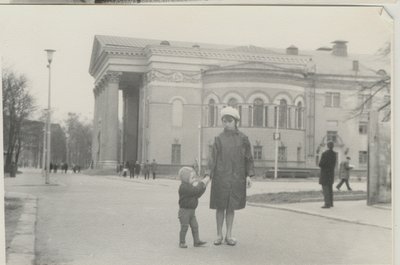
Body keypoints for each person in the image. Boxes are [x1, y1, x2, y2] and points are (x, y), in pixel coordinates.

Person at [206, 106, 255, 246]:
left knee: (231, 207)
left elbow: (248, 158)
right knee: (220, 206)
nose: (226, 123)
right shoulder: (218, 139)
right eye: (224, 121)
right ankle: (218, 235)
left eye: (229, 120)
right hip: (221, 177)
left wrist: (248, 176)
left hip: (237, 178)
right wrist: (208, 175)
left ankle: (229, 235)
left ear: (236, 121)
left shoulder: (243, 139)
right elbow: (212, 159)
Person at [178, 166, 210, 248]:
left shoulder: (190, 186)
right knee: (184, 227)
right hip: (184, 211)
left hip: (192, 211)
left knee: (195, 226)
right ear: (185, 178)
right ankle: (182, 242)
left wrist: (204, 186)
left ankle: (196, 241)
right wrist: (202, 183)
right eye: (192, 177)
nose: (195, 179)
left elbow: (197, 194)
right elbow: (196, 191)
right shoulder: (184, 187)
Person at [318, 141, 337, 209]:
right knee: (330, 189)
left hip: (325, 174)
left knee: (325, 189)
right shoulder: (334, 154)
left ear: (327, 146)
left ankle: (327, 204)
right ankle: (331, 203)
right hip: (331, 174)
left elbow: (320, 164)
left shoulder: (325, 153)